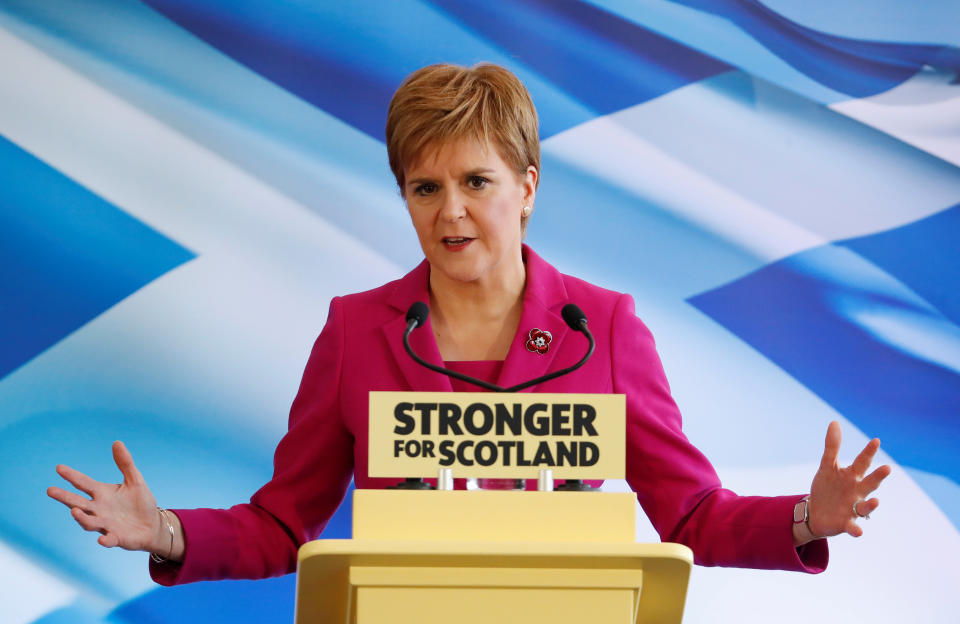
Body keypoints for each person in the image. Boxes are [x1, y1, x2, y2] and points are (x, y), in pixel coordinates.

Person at [48, 63, 891, 584]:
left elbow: (692, 516)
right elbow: (281, 524)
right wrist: (162, 531)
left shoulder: (608, 330)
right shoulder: (354, 333)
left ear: (526, 187)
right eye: (425, 187)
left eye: (476, 182)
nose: (451, 211)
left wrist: (804, 520)